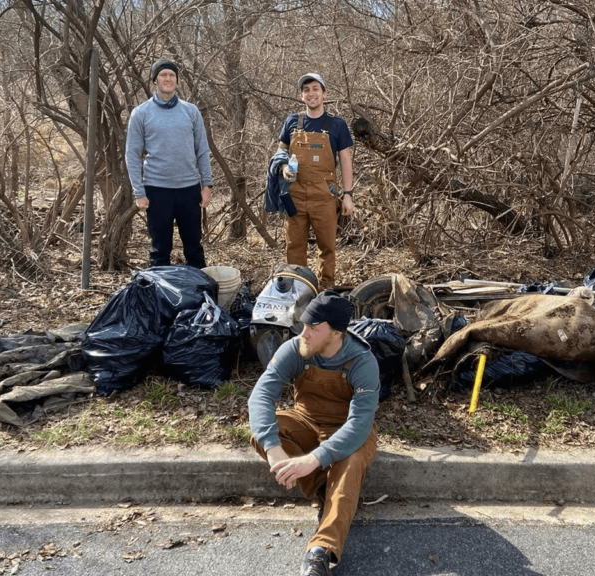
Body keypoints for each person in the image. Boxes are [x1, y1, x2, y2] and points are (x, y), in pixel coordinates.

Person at [248, 291, 380, 576]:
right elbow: (260, 397)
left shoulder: (363, 362)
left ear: (335, 333)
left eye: (312, 328)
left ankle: (320, 552)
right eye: (304, 324)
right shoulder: (296, 348)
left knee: (351, 463)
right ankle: (325, 487)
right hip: (305, 421)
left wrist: (313, 459)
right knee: (264, 433)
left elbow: (359, 425)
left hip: (349, 430)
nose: (303, 333)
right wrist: (274, 450)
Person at [125, 56, 213, 268]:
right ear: (155, 80)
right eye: (163, 75)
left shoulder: (190, 111)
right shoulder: (141, 113)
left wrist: (207, 185)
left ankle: (200, 296)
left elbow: (202, 149)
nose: (168, 78)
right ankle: (159, 299)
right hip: (157, 190)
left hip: (189, 189)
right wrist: (139, 192)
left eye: (172, 75)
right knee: (160, 250)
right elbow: (132, 154)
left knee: (194, 247)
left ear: (176, 80)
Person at [276, 73, 355, 288]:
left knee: (327, 248)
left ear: (324, 94)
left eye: (315, 89)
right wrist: (283, 167)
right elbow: (280, 153)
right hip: (296, 197)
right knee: (294, 247)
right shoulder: (292, 122)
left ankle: (324, 293)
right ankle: (297, 292)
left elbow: (346, 161)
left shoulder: (337, 124)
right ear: (302, 96)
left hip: (325, 197)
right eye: (306, 90)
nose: (311, 93)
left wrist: (347, 194)